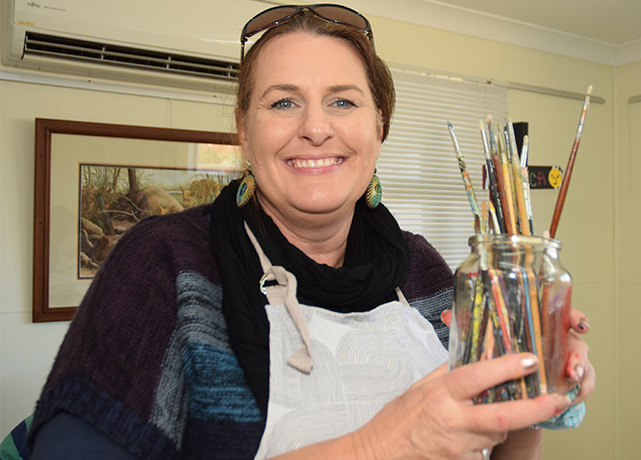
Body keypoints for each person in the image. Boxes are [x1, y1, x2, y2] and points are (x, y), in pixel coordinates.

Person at [26, 4, 594, 459]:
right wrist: (378, 445)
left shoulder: (424, 270)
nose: (316, 128)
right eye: (283, 102)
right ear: (244, 130)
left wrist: (532, 386)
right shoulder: (164, 264)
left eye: (342, 101)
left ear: (379, 126)